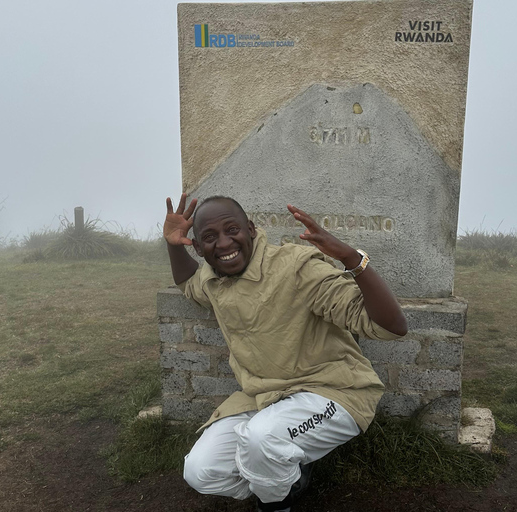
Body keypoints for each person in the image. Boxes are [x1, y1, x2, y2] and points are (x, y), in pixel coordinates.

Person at [163, 193, 407, 512]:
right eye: (209, 237)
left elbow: (392, 326)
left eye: (231, 229)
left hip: (334, 391)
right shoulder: (213, 280)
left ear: (251, 229)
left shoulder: (296, 267)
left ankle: (275, 504)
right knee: (200, 471)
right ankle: (287, 477)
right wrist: (172, 242)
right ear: (198, 248)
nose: (223, 243)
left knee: (261, 440)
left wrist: (351, 258)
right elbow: (187, 282)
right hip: (264, 398)